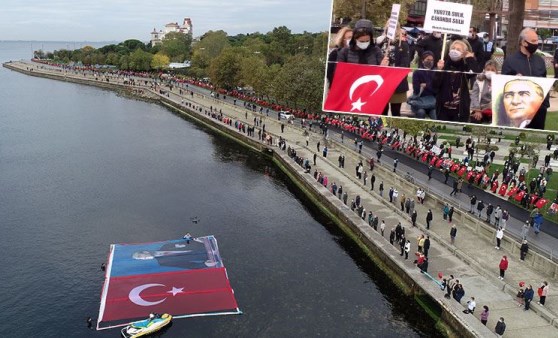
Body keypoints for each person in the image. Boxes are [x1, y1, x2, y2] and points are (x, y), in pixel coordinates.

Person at [501, 28, 549, 129]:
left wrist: (545, 105)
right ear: (523, 42)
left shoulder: (540, 60)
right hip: (519, 109)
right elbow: (503, 85)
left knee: (537, 138)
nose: (536, 44)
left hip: (539, 109)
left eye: (537, 40)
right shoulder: (510, 61)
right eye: (533, 41)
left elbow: (545, 81)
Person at [432, 39, 481, 122]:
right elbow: (435, 86)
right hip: (443, 109)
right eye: (453, 48)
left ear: (463, 54)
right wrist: (439, 71)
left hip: (460, 110)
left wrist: (470, 58)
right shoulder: (444, 65)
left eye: (458, 49)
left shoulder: (465, 67)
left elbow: (475, 72)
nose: (455, 51)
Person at [382, 28, 410, 117]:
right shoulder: (381, 43)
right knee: (382, 111)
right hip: (382, 83)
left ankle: (395, 130)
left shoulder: (403, 45)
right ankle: (382, 129)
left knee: (395, 112)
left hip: (397, 84)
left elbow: (405, 64)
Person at [409, 51, 437, 119]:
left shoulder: (436, 72)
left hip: (432, 101)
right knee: (421, 113)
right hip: (419, 101)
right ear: (422, 60)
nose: (430, 61)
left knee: (435, 115)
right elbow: (416, 90)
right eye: (427, 59)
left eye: (432, 60)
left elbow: (436, 89)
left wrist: (426, 85)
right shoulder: (417, 72)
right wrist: (430, 85)